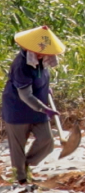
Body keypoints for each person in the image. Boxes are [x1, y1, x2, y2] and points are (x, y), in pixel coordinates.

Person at [2, 26, 65, 184]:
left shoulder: (43, 60)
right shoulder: (21, 66)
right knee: (18, 146)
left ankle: (26, 165)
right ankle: (21, 178)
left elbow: (40, 78)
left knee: (46, 140)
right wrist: (45, 109)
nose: (44, 54)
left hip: (38, 107)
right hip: (18, 109)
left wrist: (45, 88)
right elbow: (26, 95)